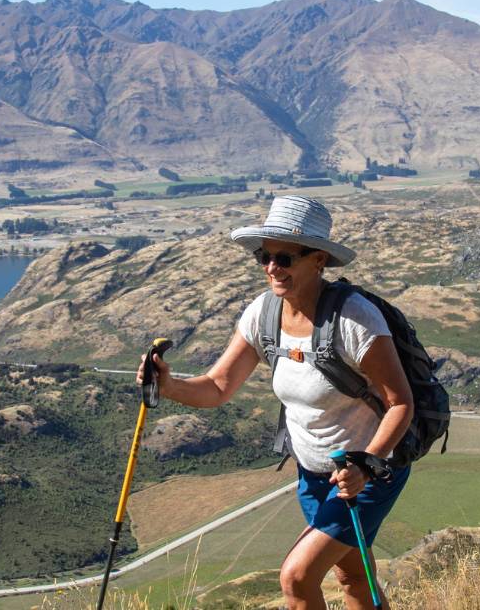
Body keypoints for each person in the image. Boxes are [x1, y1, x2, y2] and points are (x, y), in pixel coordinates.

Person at [140, 195, 413, 610]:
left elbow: (400, 403)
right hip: (314, 476)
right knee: (352, 575)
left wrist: (366, 463)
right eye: (263, 258)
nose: (271, 268)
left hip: (369, 473)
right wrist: (168, 384)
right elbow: (217, 387)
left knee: (297, 578)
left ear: (318, 259)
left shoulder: (356, 321)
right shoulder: (263, 314)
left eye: (284, 258)